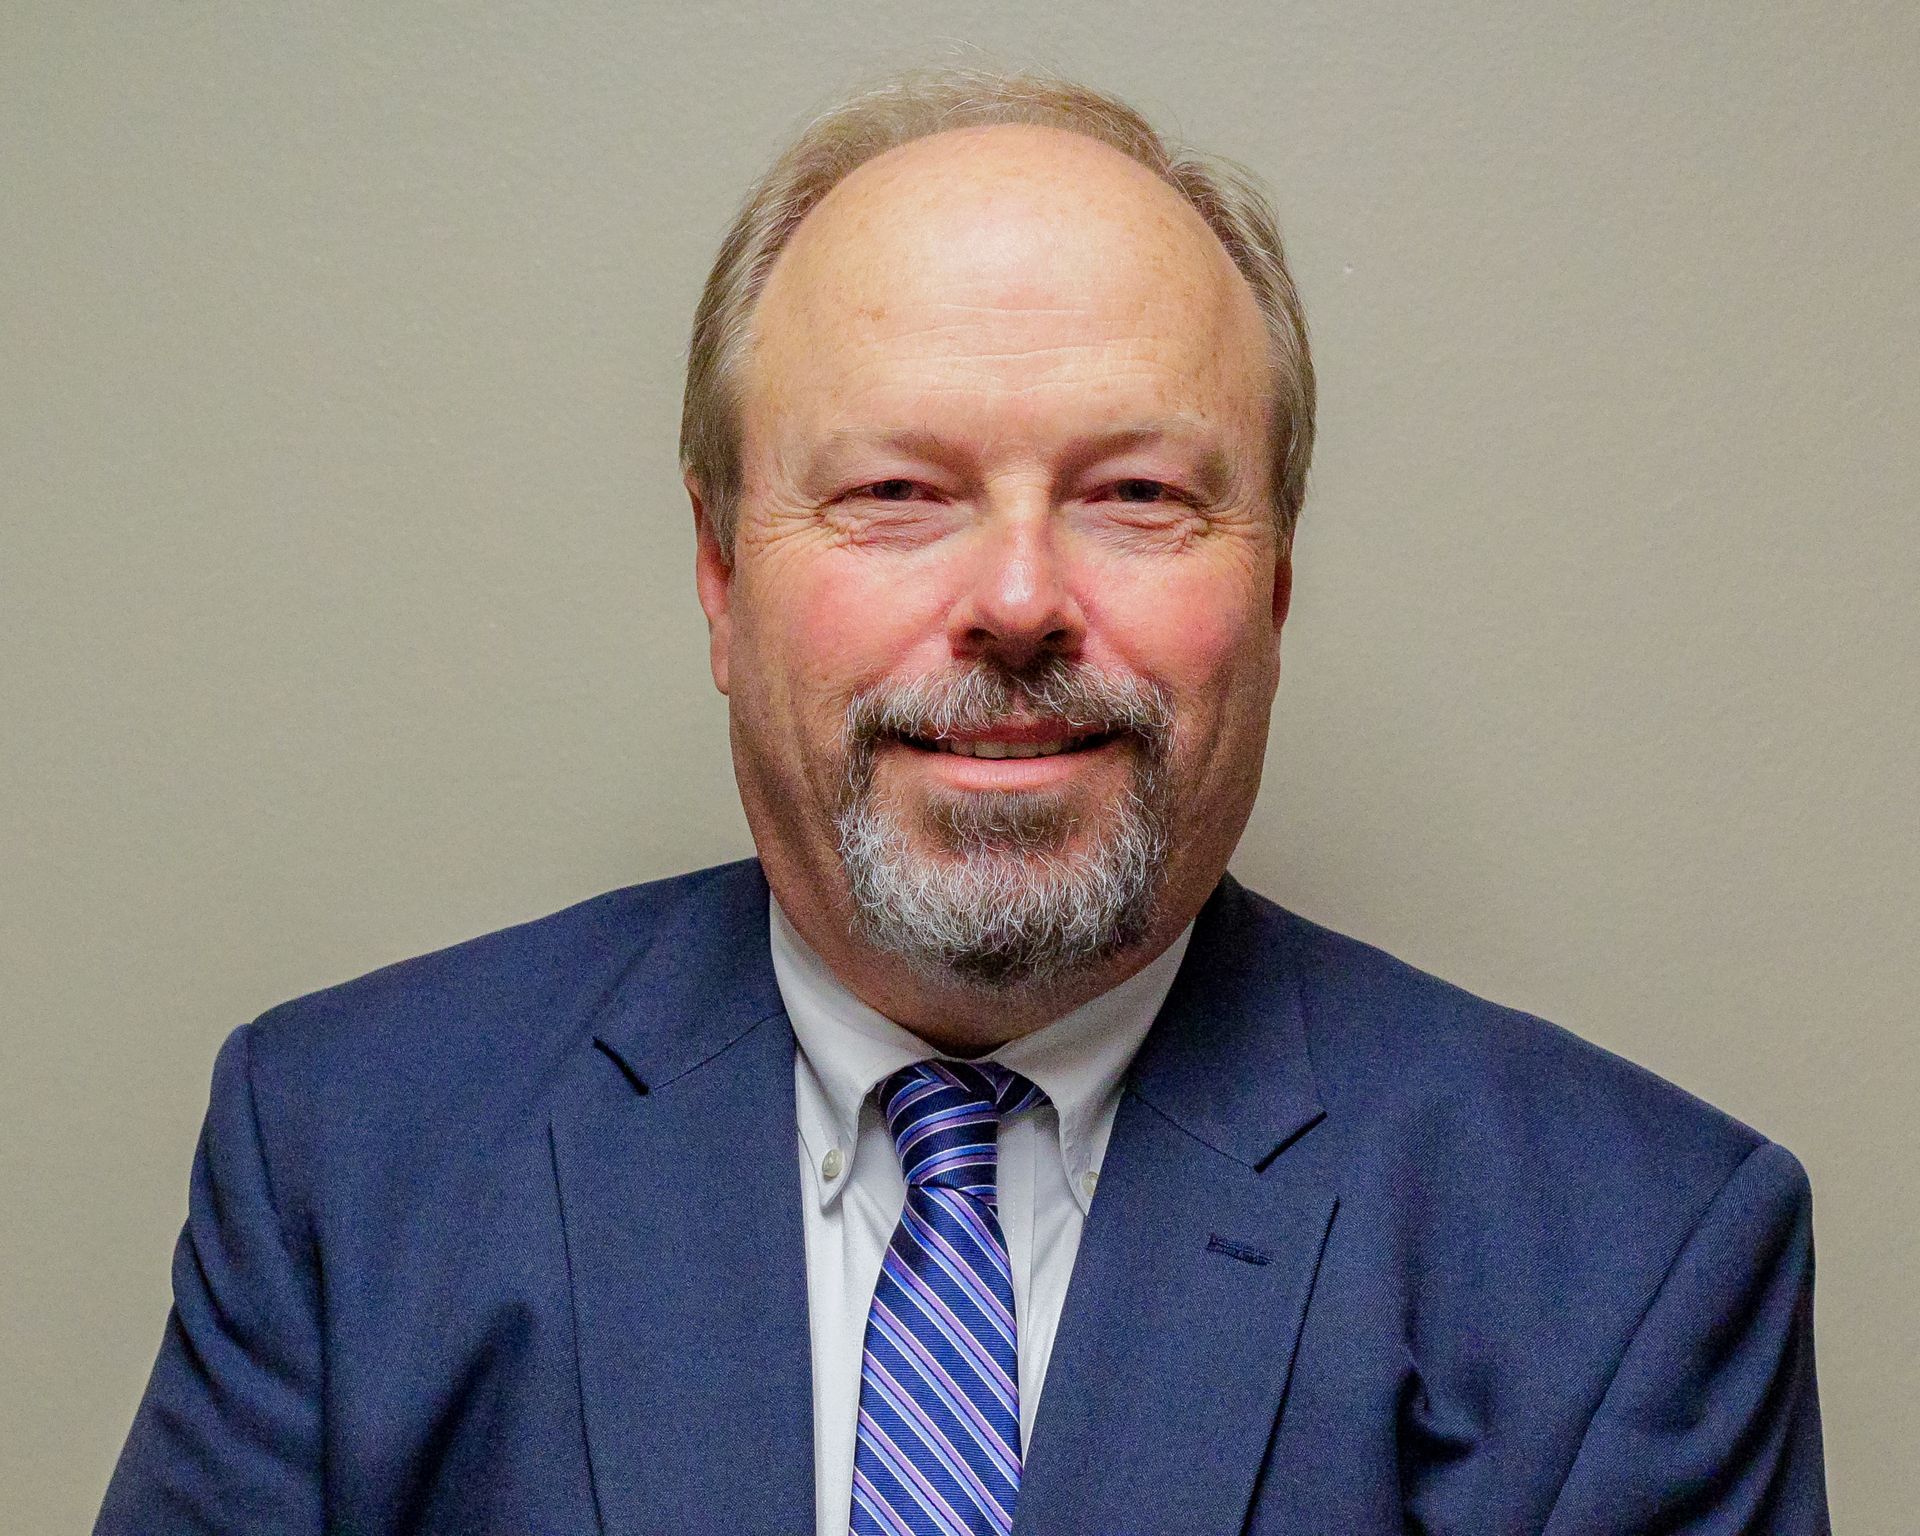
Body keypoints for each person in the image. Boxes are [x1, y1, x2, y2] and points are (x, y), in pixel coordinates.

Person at [97, 67, 1828, 1535]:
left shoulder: (1638, 1259)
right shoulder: (347, 1159)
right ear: (718, 574)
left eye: (1138, 491)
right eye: (898, 489)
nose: (1017, 598)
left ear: (1278, 582)